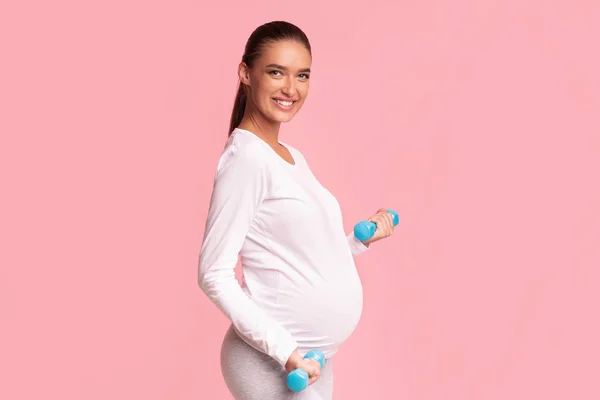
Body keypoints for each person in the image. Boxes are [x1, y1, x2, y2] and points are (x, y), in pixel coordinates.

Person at [197, 20, 396, 399]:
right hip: (276, 359)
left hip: (313, 358)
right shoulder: (246, 160)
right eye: (276, 72)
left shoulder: (290, 157)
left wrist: (357, 240)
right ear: (246, 73)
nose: (291, 89)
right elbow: (213, 274)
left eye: (302, 75)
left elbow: (302, 253)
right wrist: (286, 353)